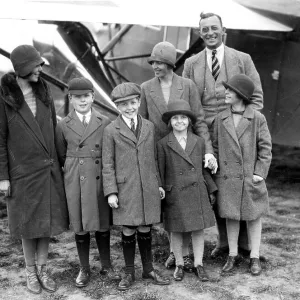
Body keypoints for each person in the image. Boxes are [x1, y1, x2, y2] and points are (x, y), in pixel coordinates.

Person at [183, 12, 264, 257]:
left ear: (223, 30)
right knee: (217, 188)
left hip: (237, 135)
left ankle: (246, 246)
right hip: (205, 135)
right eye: (204, 29)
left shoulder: (242, 59)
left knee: (241, 187)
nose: (209, 33)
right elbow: (186, 100)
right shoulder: (191, 63)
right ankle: (224, 243)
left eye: (213, 28)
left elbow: (257, 98)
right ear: (200, 33)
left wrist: (243, 127)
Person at [140, 41, 217, 270]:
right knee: (171, 206)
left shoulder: (188, 85)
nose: (155, 66)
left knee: (190, 206)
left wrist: (209, 152)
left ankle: (189, 257)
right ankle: (177, 254)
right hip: (162, 154)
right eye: (153, 62)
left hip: (187, 154)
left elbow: (199, 120)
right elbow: (144, 124)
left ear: (171, 64)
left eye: (160, 63)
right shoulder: (146, 88)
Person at [0, 45, 69, 294]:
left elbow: (52, 128)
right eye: (37, 65)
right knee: (28, 226)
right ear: (23, 68)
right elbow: (0, 139)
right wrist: (3, 177)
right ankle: (30, 273)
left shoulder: (44, 90)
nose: (41, 69)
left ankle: (43, 270)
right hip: (23, 174)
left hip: (48, 170)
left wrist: (63, 162)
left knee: (46, 224)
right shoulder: (4, 96)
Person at [102, 82, 170, 290]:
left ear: (139, 102)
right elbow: (107, 163)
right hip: (126, 188)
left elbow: (155, 158)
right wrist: (111, 192)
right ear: (116, 106)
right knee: (129, 227)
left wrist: (158, 183)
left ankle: (148, 269)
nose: (129, 107)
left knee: (145, 226)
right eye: (124, 105)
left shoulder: (149, 126)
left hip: (148, 185)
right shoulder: (111, 130)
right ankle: (129, 271)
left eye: (133, 102)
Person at [55, 77, 120, 287]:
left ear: (93, 97)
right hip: (76, 178)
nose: (82, 101)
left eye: (86, 96)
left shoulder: (105, 122)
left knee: (102, 222)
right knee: (80, 224)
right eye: (77, 97)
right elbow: (61, 155)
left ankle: (106, 265)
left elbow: (111, 152)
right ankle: (84, 268)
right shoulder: (63, 125)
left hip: (99, 177)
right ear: (70, 99)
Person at [212, 74, 272, 275]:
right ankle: (233, 254)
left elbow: (265, 149)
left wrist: (259, 174)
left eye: (230, 90)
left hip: (249, 178)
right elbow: (216, 148)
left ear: (241, 95)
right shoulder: (220, 119)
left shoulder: (257, 118)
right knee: (231, 216)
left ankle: (254, 256)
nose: (226, 93)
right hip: (228, 177)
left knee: (254, 216)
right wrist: (216, 170)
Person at [157, 100, 217, 281]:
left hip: (196, 191)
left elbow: (202, 170)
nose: (179, 121)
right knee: (176, 230)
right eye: (175, 118)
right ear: (170, 122)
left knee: (198, 230)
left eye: (183, 117)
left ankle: (199, 264)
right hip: (174, 192)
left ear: (190, 121)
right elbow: (159, 169)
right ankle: (180, 264)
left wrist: (211, 189)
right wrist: (161, 188)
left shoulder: (199, 142)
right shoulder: (163, 144)